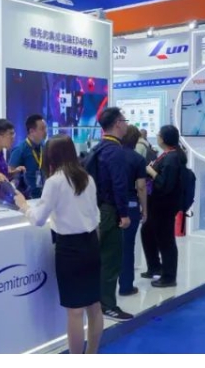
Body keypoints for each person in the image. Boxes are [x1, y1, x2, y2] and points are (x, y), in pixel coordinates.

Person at [14, 136, 103, 353]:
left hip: (69, 248)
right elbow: (95, 216)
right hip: (91, 244)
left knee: (75, 311)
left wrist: (24, 206)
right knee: (94, 306)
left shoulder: (54, 181)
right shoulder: (87, 178)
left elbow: (38, 219)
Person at [85, 107, 135, 321]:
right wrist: (124, 213)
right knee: (111, 259)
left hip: (97, 209)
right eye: (124, 120)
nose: (126, 124)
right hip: (110, 210)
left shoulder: (98, 148)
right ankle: (107, 305)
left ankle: (97, 302)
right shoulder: (115, 151)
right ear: (117, 124)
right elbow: (119, 184)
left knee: (101, 257)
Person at [141, 125, 186, 288]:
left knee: (166, 241)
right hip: (157, 205)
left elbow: (165, 184)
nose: (157, 136)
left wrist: (151, 172)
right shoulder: (167, 155)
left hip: (164, 206)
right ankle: (155, 267)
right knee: (147, 232)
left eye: (159, 134)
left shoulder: (172, 158)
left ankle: (169, 276)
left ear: (164, 138)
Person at [116, 124, 148, 299]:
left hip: (111, 206)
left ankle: (106, 287)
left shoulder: (111, 155)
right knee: (127, 247)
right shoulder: (138, 159)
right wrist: (145, 210)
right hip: (131, 205)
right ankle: (126, 286)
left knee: (110, 247)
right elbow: (141, 187)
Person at [9, 114, 48, 199]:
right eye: (42, 129)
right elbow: (11, 174)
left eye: (45, 128)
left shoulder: (44, 147)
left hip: (43, 195)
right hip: (27, 198)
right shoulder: (19, 150)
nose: (45, 131)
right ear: (32, 131)